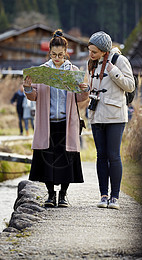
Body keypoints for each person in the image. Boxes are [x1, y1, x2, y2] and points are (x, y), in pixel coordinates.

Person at [23, 29, 89, 208]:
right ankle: (50, 195)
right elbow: (33, 96)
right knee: (46, 160)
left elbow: (81, 99)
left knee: (67, 160)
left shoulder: (73, 71)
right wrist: (28, 88)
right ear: (49, 53)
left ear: (66, 53)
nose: (57, 57)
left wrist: (84, 90)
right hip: (47, 122)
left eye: (60, 54)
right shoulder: (42, 71)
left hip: (67, 122)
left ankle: (63, 195)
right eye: (54, 54)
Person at [87, 31, 135, 210]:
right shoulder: (91, 63)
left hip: (115, 116)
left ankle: (115, 197)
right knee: (101, 156)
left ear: (104, 50)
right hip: (96, 114)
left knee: (113, 156)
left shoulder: (120, 61)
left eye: (94, 52)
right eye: (90, 50)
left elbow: (130, 86)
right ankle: (103, 195)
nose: (91, 55)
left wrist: (113, 72)